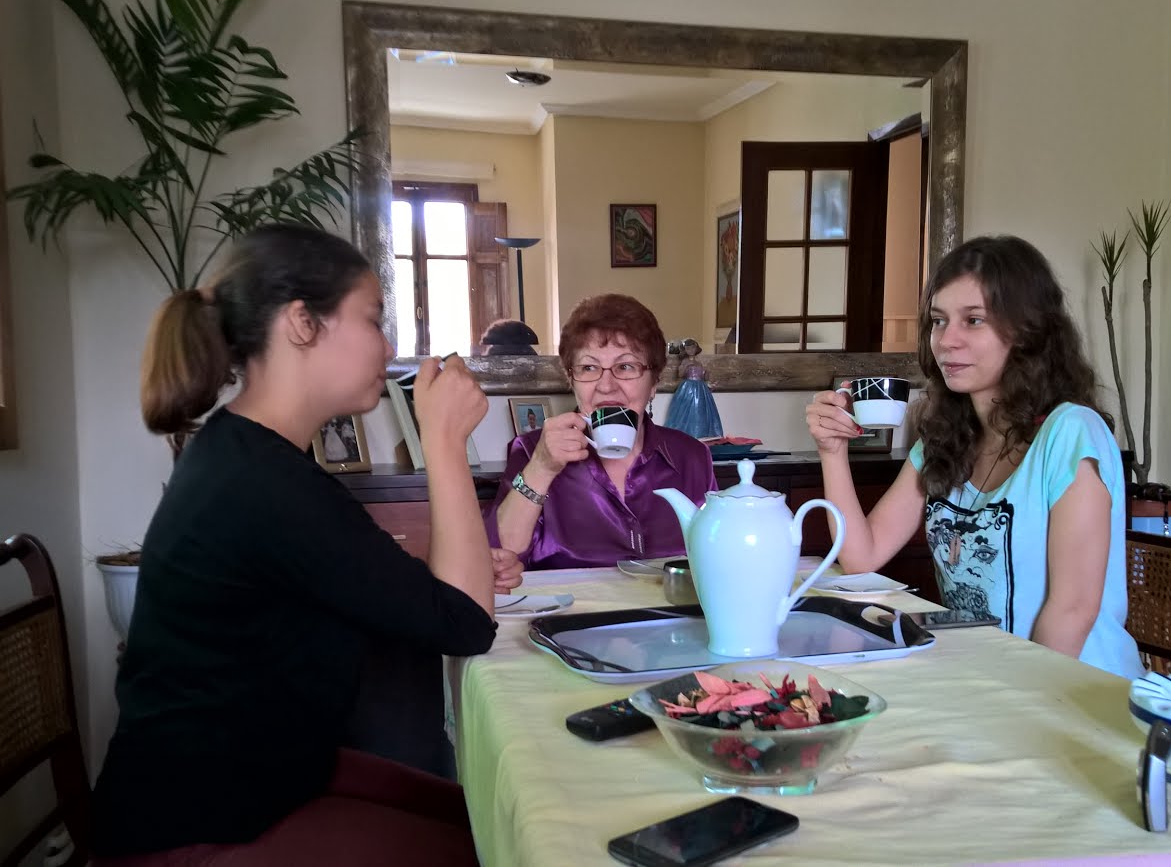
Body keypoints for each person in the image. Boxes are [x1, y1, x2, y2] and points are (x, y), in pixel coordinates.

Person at [93, 224, 523, 865]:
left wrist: (428, 582)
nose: (387, 344)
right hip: (195, 829)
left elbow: (386, 591)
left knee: (490, 813)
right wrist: (443, 441)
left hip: (248, 785)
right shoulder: (263, 481)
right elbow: (464, 621)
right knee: (497, 842)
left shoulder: (241, 454)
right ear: (301, 323)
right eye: (373, 320)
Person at [805, 235, 1141, 678]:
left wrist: (1009, 706)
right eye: (939, 321)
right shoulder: (946, 438)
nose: (947, 341)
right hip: (981, 679)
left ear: (1026, 331)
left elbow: (1073, 610)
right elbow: (861, 556)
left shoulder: (1071, 433)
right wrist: (833, 452)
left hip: (1078, 696)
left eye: (974, 320)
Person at [488, 293, 717, 569]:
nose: (606, 385)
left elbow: (721, 557)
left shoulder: (692, 457)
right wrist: (541, 468)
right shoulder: (530, 451)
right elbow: (498, 561)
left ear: (654, 382)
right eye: (588, 367)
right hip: (573, 613)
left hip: (675, 612)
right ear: (571, 379)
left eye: (625, 366)